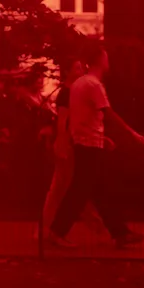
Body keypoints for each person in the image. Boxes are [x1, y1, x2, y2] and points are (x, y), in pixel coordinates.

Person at [48, 42, 144, 249]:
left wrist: (102, 139)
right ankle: (56, 232)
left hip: (85, 142)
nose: (108, 60)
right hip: (90, 145)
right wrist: (133, 134)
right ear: (99, 60)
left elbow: (82, 118)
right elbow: (107, 114)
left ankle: (120, 233)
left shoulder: (78, 84)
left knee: (100, 189)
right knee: (80, 190)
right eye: (105, 57)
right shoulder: (94, 85)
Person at [41, 58, 106, 242]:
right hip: (68, 143)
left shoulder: (74, 91)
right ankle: (93, 225)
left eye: (81, 67)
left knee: (68, 186)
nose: (80, 70)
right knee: (65, 187)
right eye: (76, 68)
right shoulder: (67, 93)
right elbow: (63, 120)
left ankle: (94, 225)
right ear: (67, 71)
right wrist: (63, 140)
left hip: (74, 141)